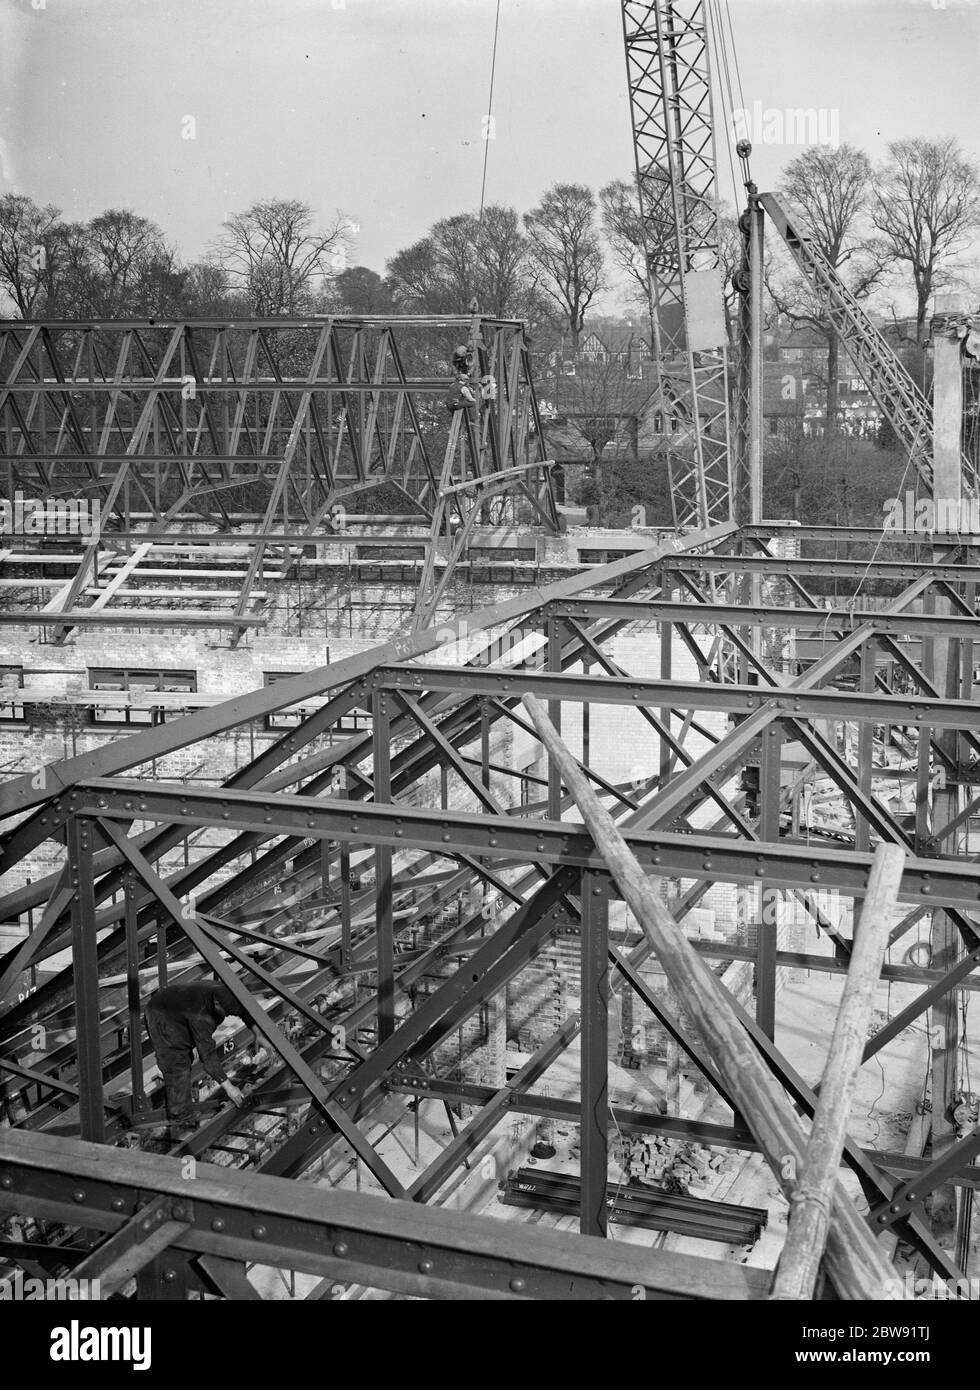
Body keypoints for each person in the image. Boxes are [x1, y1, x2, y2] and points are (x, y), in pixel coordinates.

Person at [145, 979, 247, 1133]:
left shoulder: (222, 990)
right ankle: (178, 1114)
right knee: (177, 1062)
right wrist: (229, 1087)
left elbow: (246, 1011)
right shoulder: (200, 1015)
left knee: (185, 1058)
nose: (226, 1016)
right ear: (217, 1004)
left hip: (174, 1004)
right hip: (160, 1015)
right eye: (225, 1012)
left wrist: (260, 1035)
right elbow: (207, 1056)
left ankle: (180, 1104)